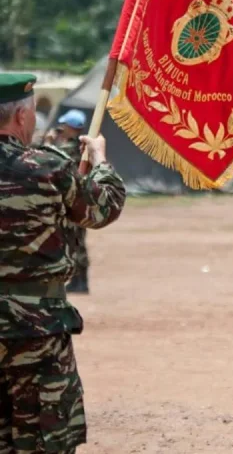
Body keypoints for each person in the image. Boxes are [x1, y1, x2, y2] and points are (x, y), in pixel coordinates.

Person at [0, 73, 126, 453]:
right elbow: (102, 208)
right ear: (21, 117)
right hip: (35, 328)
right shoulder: (46, 167)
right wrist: (100, 162)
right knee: (42, 438)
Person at [46, 109, 91, 293]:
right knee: (74, 241)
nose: (60, 128)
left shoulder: (72, 148)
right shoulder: (82, 146)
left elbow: (51, 159)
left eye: (63, 126)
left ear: (70, 128)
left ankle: (81, 282)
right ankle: (79, 280)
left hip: (74, 201)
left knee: (75, 241)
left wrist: (48, 142)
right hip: (78, 199)